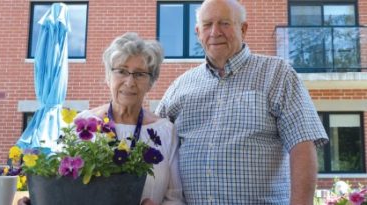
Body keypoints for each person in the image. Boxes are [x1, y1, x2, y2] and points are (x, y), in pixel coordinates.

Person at [155, 0, 329, 204]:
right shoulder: (180, 86)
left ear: (243, 28)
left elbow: (302, 146)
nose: (215, 32)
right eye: (207, 24)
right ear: (197, 32)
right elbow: (154, 143)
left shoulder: (277, 74)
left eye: (225, 23)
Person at [18, 32, 185, 205]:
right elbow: (64, 187)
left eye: (140, 74)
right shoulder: (84, 124)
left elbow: (174, 197)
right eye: (121, 71)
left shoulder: (165, 131)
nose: (129, 82)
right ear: (108, 76)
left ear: (151, 82)